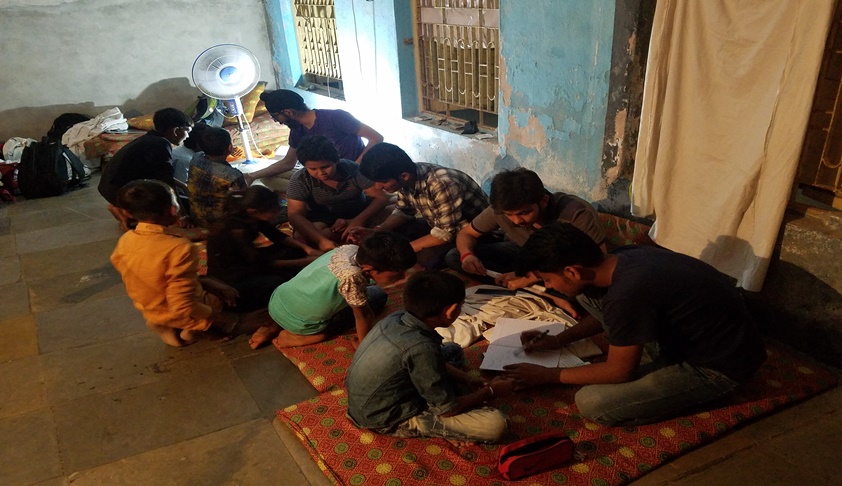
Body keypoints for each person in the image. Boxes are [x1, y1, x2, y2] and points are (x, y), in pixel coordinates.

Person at [503, 223, 767, 427]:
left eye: (547, 279)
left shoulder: (626, 294)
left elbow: (620, 372)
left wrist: (547, 375)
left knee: (592, 402)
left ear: (572, 271)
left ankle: (691, 395)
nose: (548, 286)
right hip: (708, 337)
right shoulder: (622, 257)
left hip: (717, 367)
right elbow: (617, 314)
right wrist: (558, 340)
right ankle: (649, 363)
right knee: (586, 294)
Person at [346, 270, 514, 443]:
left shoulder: (397, 317)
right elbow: (447, 410)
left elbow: (426, 359)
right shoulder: (421, 348)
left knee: (452, 350)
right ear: (451, 311)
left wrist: (467, 378)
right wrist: (490, 391)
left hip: (369, 399)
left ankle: (448, 393)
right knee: (497, 425)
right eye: (461, 306)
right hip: (382, 417)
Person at [110, 180, 262, 347]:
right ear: (172, 209)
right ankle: (196, 329)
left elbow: (151, 280)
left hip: (150, 309)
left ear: (127, 212)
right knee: (236, 295)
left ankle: (166, 325)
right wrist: (227, 320)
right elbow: (183, 305)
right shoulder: (178, 248)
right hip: (181, 312)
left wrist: (206, 282)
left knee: (211, 284)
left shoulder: (125, 241)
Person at [447, 167, 606, 316]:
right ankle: (541, 292)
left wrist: (531, 276)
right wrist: (467, 256)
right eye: (509, 215)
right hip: (528, 255)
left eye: (524, 213)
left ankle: (544, 291)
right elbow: (466, 234)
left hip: (561, 267)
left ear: (543, 201)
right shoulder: (501, 209)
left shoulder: (575, 213)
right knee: (455, 256)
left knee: (587, 292)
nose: (516, 221)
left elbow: (597, 262)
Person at [248, 230, 417, 350]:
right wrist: (363, 345)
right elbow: (363, 315)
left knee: (356, 293)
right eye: (398, 272)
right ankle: (295, 336)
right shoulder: (352, 277)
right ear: (369, 269)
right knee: (377, 297)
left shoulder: (348, 249)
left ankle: (272, 326)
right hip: (301, 323)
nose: (402, 276)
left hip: (277, 301)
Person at [354, 143, 489, 269]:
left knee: (423, 258)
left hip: (471, 234)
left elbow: (445, 234)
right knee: (393, 233)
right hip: (440, 225)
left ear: (404, 176)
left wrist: (404, 250)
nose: (378, 187)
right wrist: (378, 230)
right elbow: (404, 211)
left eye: (382, 182)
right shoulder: (408, 176)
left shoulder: (442, 183)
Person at [206, 186, 322, 312]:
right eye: (273, 211)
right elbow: (261, 263)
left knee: (293, 251)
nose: (276, 213)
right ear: (253, 211)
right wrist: (305, 261)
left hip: (250, 261)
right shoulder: (236, 230)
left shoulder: (252, 216)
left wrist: (307, 249)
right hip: (232, 277)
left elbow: (277, 236)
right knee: (279, 281)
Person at [244, 89, 384, 192]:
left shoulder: (336, 117)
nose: (278, 122)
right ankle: (313, 195)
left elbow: (376, 138)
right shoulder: (297, 131)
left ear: (288, 112)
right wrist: (252, 176)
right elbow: (288, 162)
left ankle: (314, 196)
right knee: (267, 178)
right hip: (320, 176)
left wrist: (355, 166)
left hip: (347, 175)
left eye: (276, 117)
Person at [287, 135, 392, 252]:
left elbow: (381, 198)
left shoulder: (353, 169)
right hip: (323, 217)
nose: (321, 173)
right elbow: (295, 215)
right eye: (313, 169)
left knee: (393, 213)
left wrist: (356, 221)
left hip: (358, 211)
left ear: (336, 160)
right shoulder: (300, 179)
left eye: (326, 167)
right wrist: (321, 241)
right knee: (309, 234)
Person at [98, 108, 193, 230]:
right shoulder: (160, 144)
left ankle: (122, 209)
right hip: (121, 192)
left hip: (109, 187)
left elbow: (161, 174)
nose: (187, 136)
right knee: (184, 207)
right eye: (187, 131)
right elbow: (167, 181)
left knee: (181, 199)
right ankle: (123, 208)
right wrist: (182, 215)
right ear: (175, 131)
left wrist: (183, 186)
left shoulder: (150, 138)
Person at [186, 127, 247, 228]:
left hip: (197, 218)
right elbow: (244, 202)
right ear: (229, 147)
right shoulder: (233, 176)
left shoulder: (196, 158)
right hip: (222, 226)